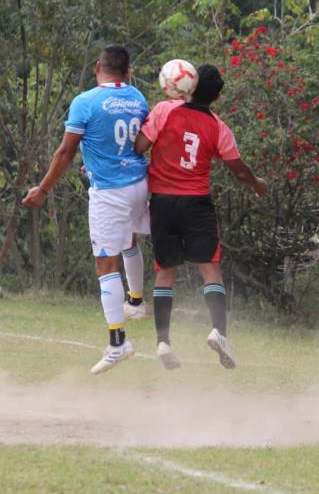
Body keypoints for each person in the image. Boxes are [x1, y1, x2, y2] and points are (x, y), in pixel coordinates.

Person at [22, 44, 150, 375]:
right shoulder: (138, 98)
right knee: (130, 241)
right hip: (139, 184)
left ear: (98, 67)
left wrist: (43, 188)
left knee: (105, 262)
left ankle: (118, 342)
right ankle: (136, 301)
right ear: (128, 71)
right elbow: (130, 143)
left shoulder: (86, 101)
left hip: (110, 193)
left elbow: (66, 151)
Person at [134, 64, 267, 370]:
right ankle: (219, 331)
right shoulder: (218, 126)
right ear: (217, 96)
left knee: (165, 271)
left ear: (188, 86)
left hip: (163, 203)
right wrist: (257, 184)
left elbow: (140, 146)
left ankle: (163, 342)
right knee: (209, 269)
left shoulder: (165, 110)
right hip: (196, 203)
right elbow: (238, 169)